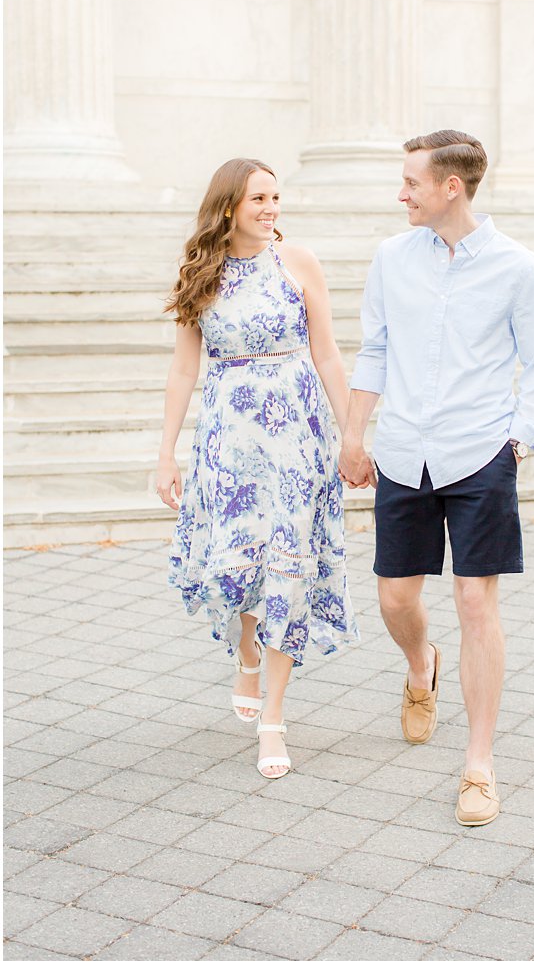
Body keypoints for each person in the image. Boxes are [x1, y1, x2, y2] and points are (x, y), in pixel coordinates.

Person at [339, 129, 534, 827]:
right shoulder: (390, 260)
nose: (400, 193)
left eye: (411, 181)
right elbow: (373, 351)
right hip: (404, 451)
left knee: (475, 602)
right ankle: (418, 667)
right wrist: (353, 433)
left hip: (478, 454)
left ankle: (478, 763)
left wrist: (517, 441)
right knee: (396, 599)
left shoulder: (518, 267)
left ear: (451, 187)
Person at [157, 158, 358, 780]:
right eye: (258, 198)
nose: (271, 208)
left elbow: (325, 352)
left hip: (297, 436)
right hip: (229, 441)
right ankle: (246, 652)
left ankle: (273, 718)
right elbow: (185, 369)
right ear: (227, 208)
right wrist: (165, 453)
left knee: (287, 566)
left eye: (276, 196)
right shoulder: (202, 273)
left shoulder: (298, 262)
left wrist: (353, 434)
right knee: (239, 562)